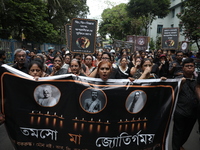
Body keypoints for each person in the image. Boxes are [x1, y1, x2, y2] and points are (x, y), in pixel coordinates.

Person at [172, 58, 198, 150]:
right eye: (187, 66)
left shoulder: (197, 80)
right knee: (178, 132)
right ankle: (176, 147)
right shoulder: (177, 79)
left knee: (187, 132)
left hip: (193, 112)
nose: (189, 68)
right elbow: (172, 93)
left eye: (191, 66)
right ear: (183, 68)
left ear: (194, 68)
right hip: (180, 111)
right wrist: (181, 84)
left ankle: (179, 145)